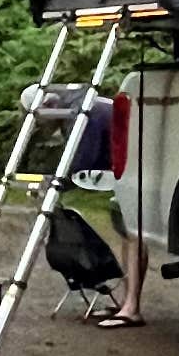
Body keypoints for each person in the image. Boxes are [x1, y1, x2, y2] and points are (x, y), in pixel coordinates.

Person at [59, 78, 148, 328]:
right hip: (128, 166)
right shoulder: (85, 106)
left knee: (133, 233)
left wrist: (64, 181)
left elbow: (85, 158)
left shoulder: (86, 113)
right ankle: (127, 303)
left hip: (135, 166)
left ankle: (131, 308)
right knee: (126, 232)